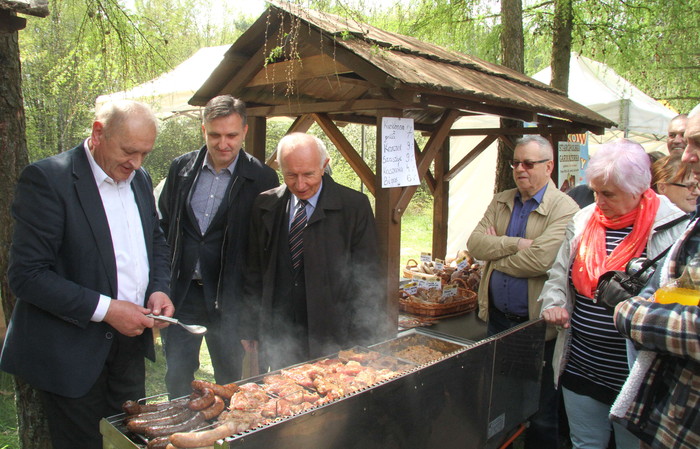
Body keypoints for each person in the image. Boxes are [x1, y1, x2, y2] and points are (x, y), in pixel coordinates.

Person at [0, 100, 174, 449]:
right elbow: (27, 275)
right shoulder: (49, 179)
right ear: (98, 133)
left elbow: (155, 241)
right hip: (72, 354)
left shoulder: (139, 179)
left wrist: (159, 288)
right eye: (128, 151)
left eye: (144, 153)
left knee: (129, 442)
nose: (136, 163)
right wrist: (109, 309)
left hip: (128, 349)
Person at [539, 138, 688, 449]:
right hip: (580, 363)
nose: (598, 200)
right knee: (585, 443)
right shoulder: (584, 220)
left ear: (637, 189)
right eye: (595, 190)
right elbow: (559, 274)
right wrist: (555, 302)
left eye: (608, 193)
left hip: (634, 374)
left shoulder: (673, 228)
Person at [158, 95, 278, 397]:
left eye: (231, 135)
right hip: (183, 295)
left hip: (231, 299)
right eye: (215, 135)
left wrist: (253, 318)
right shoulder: (181, 169)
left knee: (229, 381)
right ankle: (184, 441)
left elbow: (264, 252)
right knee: (178, 376)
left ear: (245, 132)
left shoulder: (262, 178)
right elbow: (162, 229)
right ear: (203, 130)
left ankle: (224, 439)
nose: (223, 143)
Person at [467, 135, 579, 449]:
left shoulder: (565, 208)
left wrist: (494, 253)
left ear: (549, 166)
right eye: (515, 162)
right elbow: (474, 244)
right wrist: (515, 243)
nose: (519, 169)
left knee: (540, 409)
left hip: (536, 329)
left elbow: (541, 260)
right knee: (498, 400)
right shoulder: (502, 199)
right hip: (498, 321)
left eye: (528, 163)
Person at [241, 132, 389, 371]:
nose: (300, 185)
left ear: (324, 165)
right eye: (291, 175)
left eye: (308, 174)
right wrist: (249, 326)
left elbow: (369, 277)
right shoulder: (265, 205)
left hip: (334, 333)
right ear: (279, 167)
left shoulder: (354, 207)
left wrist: (364, 339)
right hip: (280, 332)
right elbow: (254, 269)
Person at [608, 104, 700, 449]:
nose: (687, 155)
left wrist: (635, 312)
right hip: (668, 415)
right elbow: (666, 290)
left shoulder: (672, 222)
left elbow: (641, 305)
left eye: (697, 143)